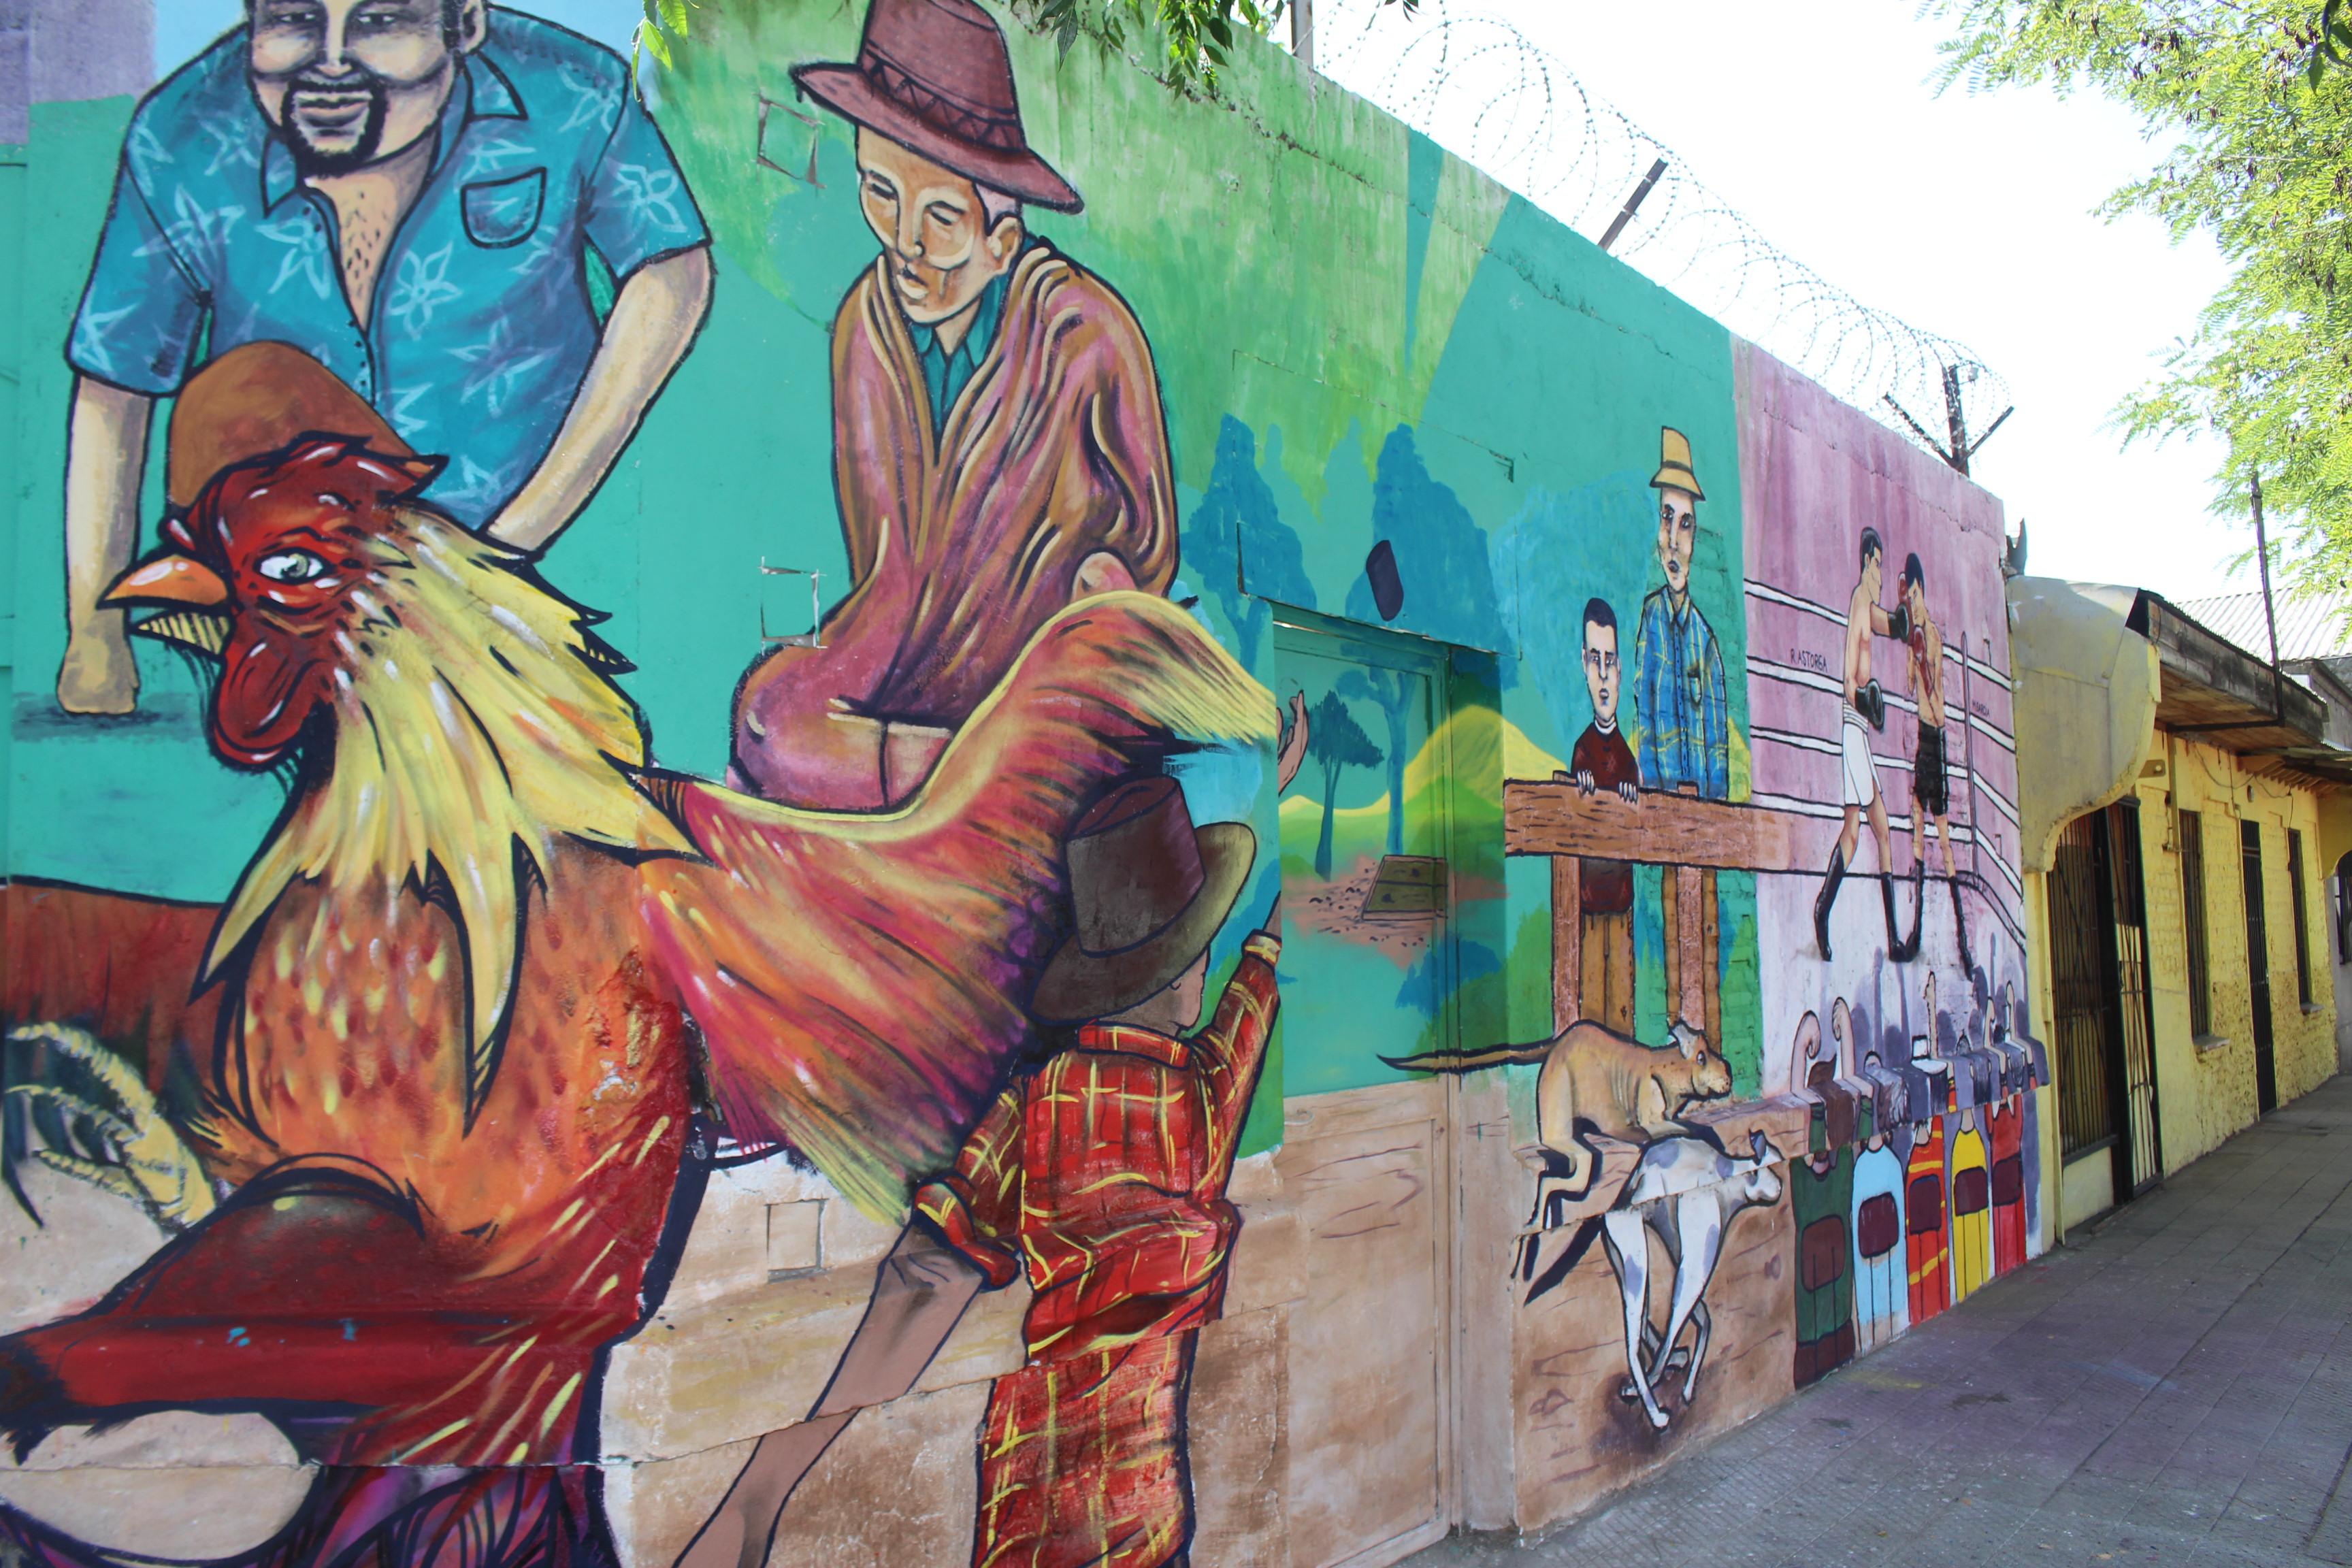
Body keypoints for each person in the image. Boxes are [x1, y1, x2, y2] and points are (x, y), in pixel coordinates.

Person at [57, 0, 713, 715]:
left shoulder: (573, 89)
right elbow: (115, 382)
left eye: (380, 22)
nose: (331, 62)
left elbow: (672, 270)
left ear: (464, 23)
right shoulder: (180, 137)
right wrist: (95, 633)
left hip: (530, 552)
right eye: (294, 20)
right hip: (285, 592)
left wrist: (505, 549)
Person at [730, 0, 1177, 811]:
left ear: (1002, 240)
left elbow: (1144, 553)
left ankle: (988, 779)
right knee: (769, 717)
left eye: (940, 217)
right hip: (909, 669)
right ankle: (974, 783)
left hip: (1045, 684)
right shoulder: (866, 325)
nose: (904, 241)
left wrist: (1094, 608)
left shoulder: (1087, 335)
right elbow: (887, 569)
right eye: (880, 194)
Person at [1812, 528, 1912, 960]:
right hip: (1853, 727)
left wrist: (1903, 620)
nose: (1881, 573)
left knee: (1862, 831)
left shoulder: (1865, 606)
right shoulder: (1857, 601)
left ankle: (1825, 911)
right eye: (1878, 565)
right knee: (1877, 830)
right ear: (1866, 562)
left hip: (1858, 731)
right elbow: (1848, 680)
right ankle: (1883, 937)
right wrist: (1866, 700)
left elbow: (1888, 624)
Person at [1631, 428, 1730, 800]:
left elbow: (1717, 749)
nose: (1673, 540)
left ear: (1696, 537)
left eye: (1685, 524)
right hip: (1660, 819)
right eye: (1666, 518)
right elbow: (1646, 727)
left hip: (1703, 827)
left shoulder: (1706, 643)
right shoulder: (1650, 621)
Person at [1569, 597, 1638, 1032]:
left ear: (1621, 667)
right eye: (1595, 660)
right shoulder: (1582, 749)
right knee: (1592, 1003)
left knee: (1623, 1005)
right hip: (1590, 900)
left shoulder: (1629, 758)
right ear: (1584, 664)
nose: (1603, 674)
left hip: (1623, 899)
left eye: (1610, 661)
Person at [1900, 553, 1957, 882]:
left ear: (1922, 589)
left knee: (1944, 831)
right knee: (1917, 824)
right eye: (1910, 598)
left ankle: (1960, 923)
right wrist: (1911, 651)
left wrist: (1922, 661)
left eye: (1916, 596)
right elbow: (1909, 687)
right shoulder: (1917, 635)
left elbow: (1935, 700)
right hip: (1923, 734)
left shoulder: (1932, 635)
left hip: (1935, 734)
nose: (1914, 603)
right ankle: (1918, 923)